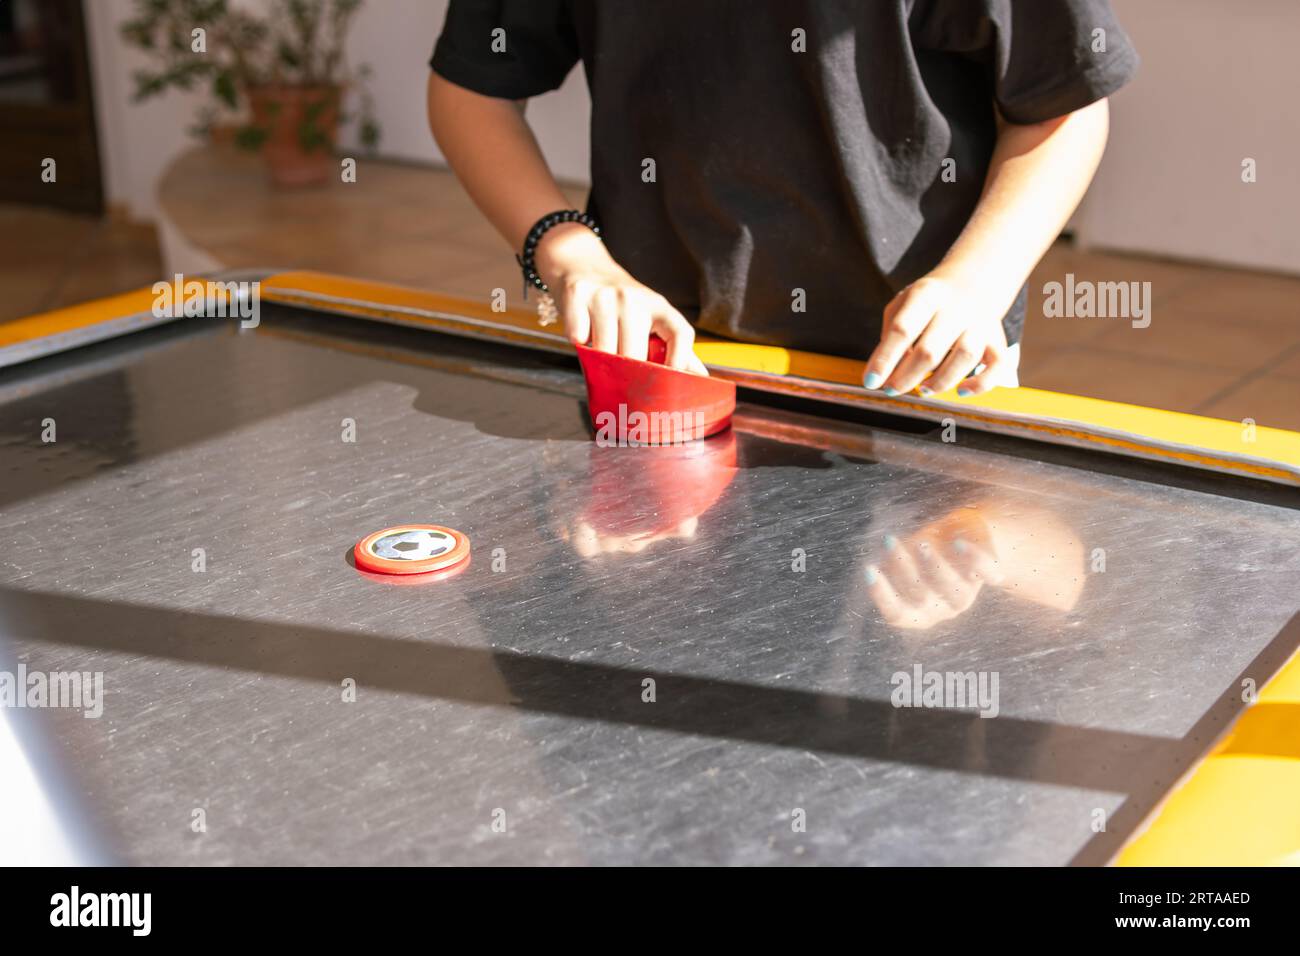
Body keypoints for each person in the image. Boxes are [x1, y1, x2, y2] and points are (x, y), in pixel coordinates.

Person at [427, 1, 1137, 396]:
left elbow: (1061, 105)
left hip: (925, 366)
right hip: (661, 358)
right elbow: (471, 92)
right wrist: (572, 254)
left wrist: (976, 283)